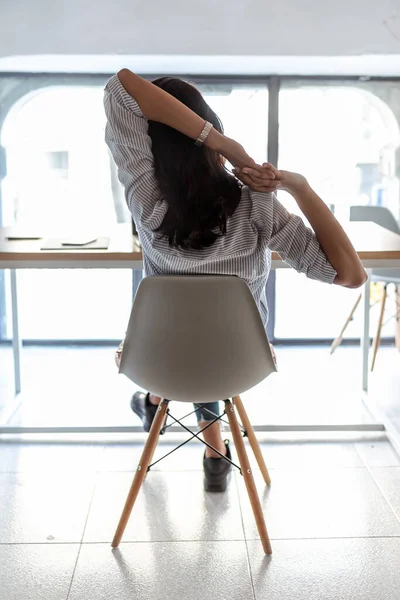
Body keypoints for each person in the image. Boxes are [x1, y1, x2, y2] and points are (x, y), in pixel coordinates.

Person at [104, 69, 366, 492]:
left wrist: (221, 143)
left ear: (147, 148)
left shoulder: (146, 202)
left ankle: (157, 401)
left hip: (156, 358)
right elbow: (350, 276)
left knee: (186, 343)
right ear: (210, 124)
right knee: (209, 342)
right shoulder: (257, 205)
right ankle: (212, 448)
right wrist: (297, 186)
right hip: (241, 360)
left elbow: (120, 88)